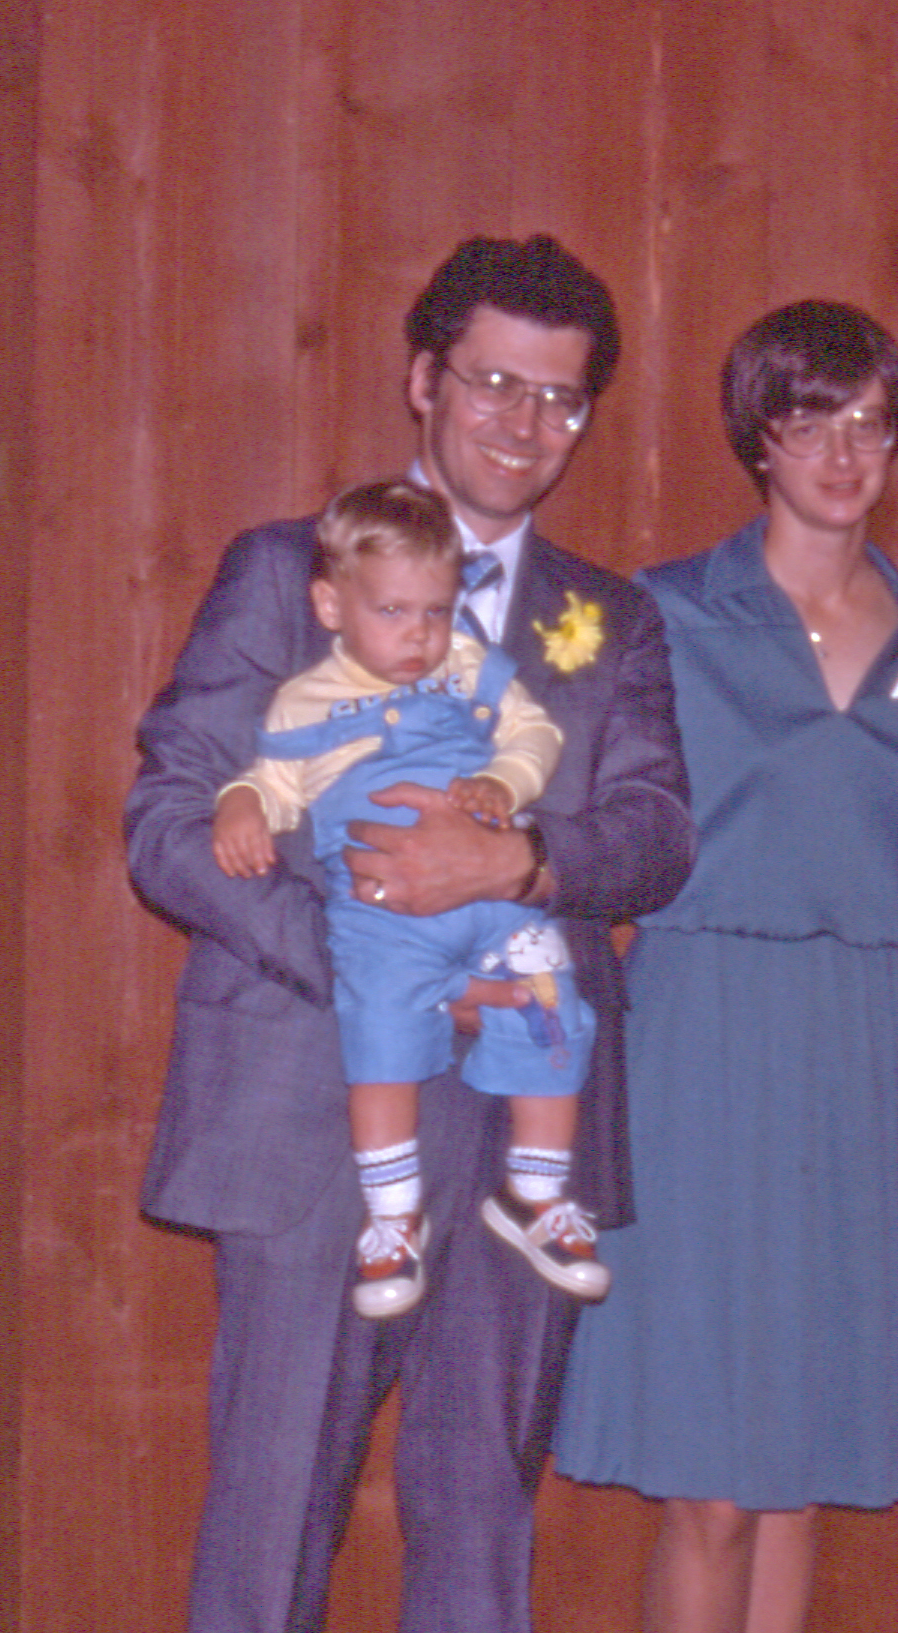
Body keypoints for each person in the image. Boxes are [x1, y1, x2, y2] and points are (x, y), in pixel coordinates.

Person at [128, 233, 693, 1633]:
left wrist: (514, 859)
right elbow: (170, 816)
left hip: (525, 1124)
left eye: (561, 400)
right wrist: (363, 945)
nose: (523, 423)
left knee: (480, 1515)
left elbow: (654, 831)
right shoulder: (281, 569)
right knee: (269, 1514)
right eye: (496, 381)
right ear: (421, 380)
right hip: (312, 1102)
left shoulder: (608, 619)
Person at [550, 299, 898, 1633]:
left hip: (852, 1047)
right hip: (697, 1033)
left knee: (802, 1459)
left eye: (869, 421)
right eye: (809, 420)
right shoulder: (661, 609)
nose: (841, 453)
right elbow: (589, 825)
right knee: (708, 1485)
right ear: (757, 434)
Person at [211, 478, 605, 1320]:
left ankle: (536, 1194)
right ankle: (392, 1217)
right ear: (330, 603)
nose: (419, 635)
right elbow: (275, 786)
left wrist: (502, 778)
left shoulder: (467, 668)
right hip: (381, 920)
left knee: (552, 1006)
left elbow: (536, 732)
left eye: (436, 611)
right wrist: (241, 803)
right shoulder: (305, 700)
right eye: (393, 612)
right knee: (381, 1032)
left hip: (499, 903)